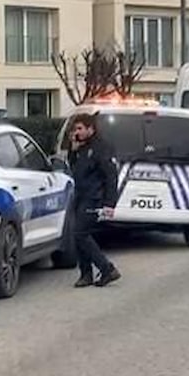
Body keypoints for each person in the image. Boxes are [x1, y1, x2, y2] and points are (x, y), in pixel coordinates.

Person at [66, 113, 122, 288]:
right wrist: (73, 150)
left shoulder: (101, 147)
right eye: (75, 129)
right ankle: (86, 274)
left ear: (91, 129)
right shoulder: (80, 147)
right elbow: (74, 168)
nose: (77, 132)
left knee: (81, 233)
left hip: (93, 197)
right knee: (78, 235)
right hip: (80, 195)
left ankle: (107, 269)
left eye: (80, 128)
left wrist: (109, 203)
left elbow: (110, 176)